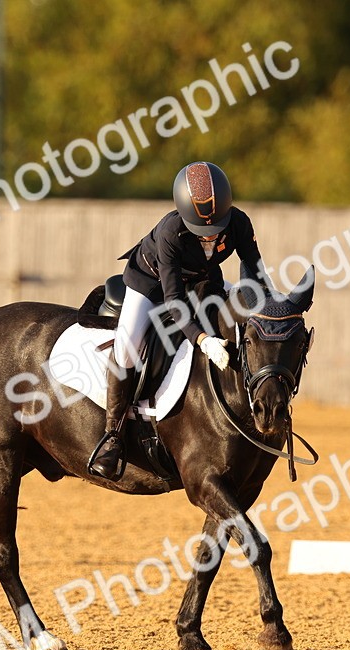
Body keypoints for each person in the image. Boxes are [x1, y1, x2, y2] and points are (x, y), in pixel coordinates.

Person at [88, 161, 268, 480]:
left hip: (202, 281)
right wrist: (203, 340)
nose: (210, 237)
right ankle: (112, 437)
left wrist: (259, 306)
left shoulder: (238, 222)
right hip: (152, 284)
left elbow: (254, 273)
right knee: (128, 344)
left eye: (216, 229)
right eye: (202, 231)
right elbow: (174, 300)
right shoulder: (172, 231)